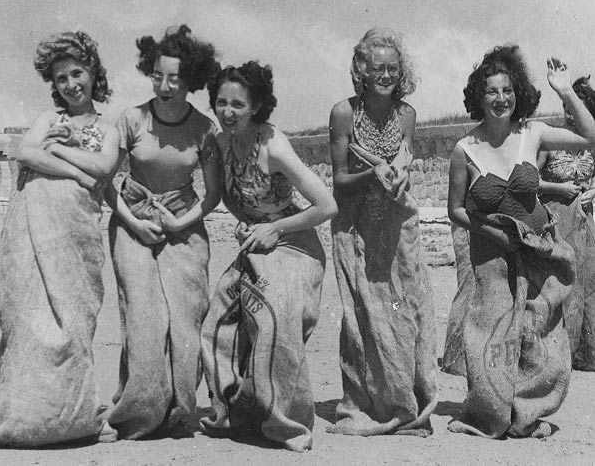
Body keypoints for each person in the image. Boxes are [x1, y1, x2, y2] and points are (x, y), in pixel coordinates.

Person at [0, 31, 120, 447]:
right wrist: (77, 171)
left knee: (75, 322)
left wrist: (59, 153)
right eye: (61, 79)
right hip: (31, 230)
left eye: (78, 74)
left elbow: (105, 166)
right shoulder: (47, 119)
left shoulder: (109, 129)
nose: (71, 84)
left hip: (76, 236)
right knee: (26, 321)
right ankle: (23, 419)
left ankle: (76, 417)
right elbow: (24, 152)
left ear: (93, 73)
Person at [446, 45, 595, 438]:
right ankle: (492, 409)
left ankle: (528, 413)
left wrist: (565, 91)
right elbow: (456, 210)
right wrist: (493, 233)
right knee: (491, 334)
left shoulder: (533, 132)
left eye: (508, 90)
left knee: (540, 336)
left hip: (539, 248)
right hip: (492, 255)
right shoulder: (465, 149)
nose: (501, 99)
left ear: (519, 94)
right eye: (492, 91)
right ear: (479, 97)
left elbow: (591, 135)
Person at [199, 62, 337, 452]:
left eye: (238, 105)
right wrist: (248, 224)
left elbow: (326, 206)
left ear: (256, 106)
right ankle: (236, 413)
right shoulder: (219, 144)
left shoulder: (273, 145)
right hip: (256, 246)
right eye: (221, 103)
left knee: (275, 315)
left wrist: (275, 227)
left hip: (295, 245)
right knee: (217, 315)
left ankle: (287, 423)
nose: (228, 112)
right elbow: (226, 197)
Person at [103, 25, 222, 439]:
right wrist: (134, 222)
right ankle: (139, 412)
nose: (165, 85)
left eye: (174, 78)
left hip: (184, 225)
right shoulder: (131, 119)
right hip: (133, 220)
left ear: (191, 81)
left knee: (186, 319)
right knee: (143, 318)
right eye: (157, 76)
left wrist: (180, 222)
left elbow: (214, 195)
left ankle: (179, 410)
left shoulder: (206, 129)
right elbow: (107, 182)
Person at [327, 28, 438, 437]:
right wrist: (373, 173)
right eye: (377, 68)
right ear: (361, 70)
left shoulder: (406, 114)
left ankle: (405, 400)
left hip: (396, 225)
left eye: (392, 68)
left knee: (402, 309)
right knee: (362, 314)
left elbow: (405, 160)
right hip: (355, 226)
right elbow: (339, 180)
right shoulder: (343, 113)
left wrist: (400, 176)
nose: (385, 75)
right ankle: (364, 401)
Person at [538, 76, 595, 371]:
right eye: (566, 106)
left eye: (576, 107)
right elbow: (528, 181)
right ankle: (557, 353)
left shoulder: (592, 142)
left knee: (587, 285)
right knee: (559, 284)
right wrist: (557, 189)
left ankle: (585, 354)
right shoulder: (551, 139)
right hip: (555, 223)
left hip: (585, 224)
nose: (569, 113)